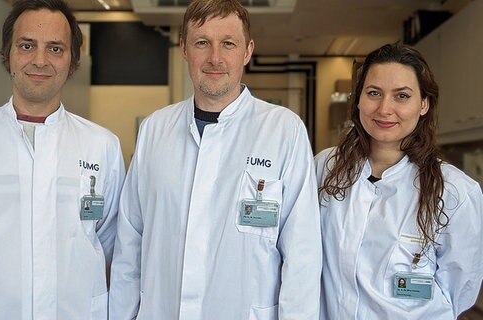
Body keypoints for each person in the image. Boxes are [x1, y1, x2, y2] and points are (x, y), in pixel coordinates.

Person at [108, 0, 321, 318]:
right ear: (184, 48)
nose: (215, 58)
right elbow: (130, 241)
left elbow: (302, 254)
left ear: (247, 51)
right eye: (202, 43)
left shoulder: (283, 130)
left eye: (228, 44)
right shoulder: (155, 129)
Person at [0, 0, 125, 319]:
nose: (40, 60)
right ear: (8, 54)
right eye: (27, 45)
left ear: (72, 61)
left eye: (55, 49)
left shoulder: (102, 146)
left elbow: (110, 246)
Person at [315, 43, 483, 319]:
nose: (384, 108)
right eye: (373, 93)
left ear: (424, 104)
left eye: (402, 96)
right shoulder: (325, 168)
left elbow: (460, 290)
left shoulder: (455, 191)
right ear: (358, 100)